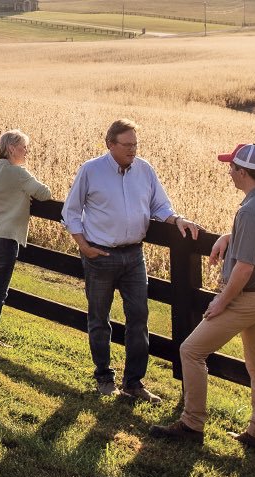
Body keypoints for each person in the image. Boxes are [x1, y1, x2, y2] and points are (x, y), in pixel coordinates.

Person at [149, 143, 255, 455]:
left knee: (191, 351)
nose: (228, 173)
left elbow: (245, 267)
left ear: (243, 172)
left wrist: (221, 301)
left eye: (232, 168)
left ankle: (192, 424)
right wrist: (231, 236)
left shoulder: (250, 210)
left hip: (245, 298)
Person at [62, 119, 203, 400]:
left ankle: (134, 383)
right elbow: (71, 211)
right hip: (100, 255)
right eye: (126, 145)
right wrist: (84, 246)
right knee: (99, 318)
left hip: (134, 255)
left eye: (135, 144)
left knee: (139, 318)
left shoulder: (145, 170)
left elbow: (160, 205)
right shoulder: (91, 170)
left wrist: (176, 219)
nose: (132, 150)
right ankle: (104, 376)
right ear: (110, 144)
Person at [0, 130, 52, 347]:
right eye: (24, 147)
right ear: (11, 148)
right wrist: (26, 191)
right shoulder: (19, 174)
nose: (27, 151)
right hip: (3, 238)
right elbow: (45, 193)